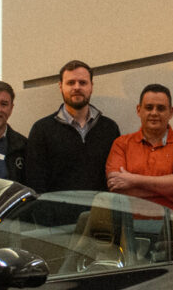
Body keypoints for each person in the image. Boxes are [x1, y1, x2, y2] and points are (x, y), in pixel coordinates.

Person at [27, 60, 120, 193]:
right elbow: (35, 182)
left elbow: (114, 179)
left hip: (99, 206)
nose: (77, 87)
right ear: (60, 86)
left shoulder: (109, 128)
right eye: (71, 83)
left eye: (83, 82)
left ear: (91, 86)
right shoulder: (41, 130)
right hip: (57, 206)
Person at [106, 83, 173, 212]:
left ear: (171, 112)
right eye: (149, 107)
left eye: (161, 108)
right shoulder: (121, 144)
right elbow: (116, 187)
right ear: (139, 110)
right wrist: (170, 192)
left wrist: (133, 180)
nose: (154, 113)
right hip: (130, 222)